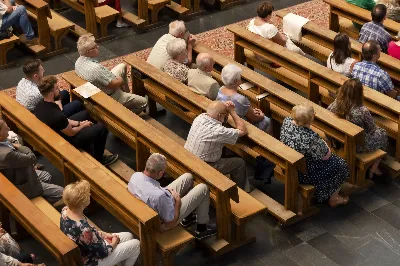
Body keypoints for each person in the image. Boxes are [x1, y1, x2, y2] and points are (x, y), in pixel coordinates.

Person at [128, 153, 217, 239]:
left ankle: (187, 217)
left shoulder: (136, 176)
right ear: (159, 173)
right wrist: (177, 202)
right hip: (164, 220)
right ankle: (202, 229)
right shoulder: (160, 196)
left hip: (156, 202)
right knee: (203, 188)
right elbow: (171, 223)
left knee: (188, 177)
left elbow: (153, 191)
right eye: (163, 172)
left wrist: (167, 194)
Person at [34, 76, 118, 166]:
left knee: (85, 114)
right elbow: (72, 133)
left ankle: (89, 143)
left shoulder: (40, 105)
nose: (59, 90)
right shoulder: (56, 115)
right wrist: (83, 126)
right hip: (65, 140)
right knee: (102, 127)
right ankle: (99, 158)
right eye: (56, 88)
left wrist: (79, 123)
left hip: (58, 130)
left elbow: (64, 120)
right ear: (51, 94)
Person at [280, 104, 350, 207]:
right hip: (302, 173)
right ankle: (334, 198)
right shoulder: (311, 138)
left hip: (287, 163)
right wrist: (324, 143)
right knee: (341, 165)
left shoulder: (287, 122)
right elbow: (326, 154)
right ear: (313, 117)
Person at [60, 180, 140, 266]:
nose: (90, 195)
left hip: (88, 247)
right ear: (81, 202)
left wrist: (104, 235)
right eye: (87, 195)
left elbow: (89, 236)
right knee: (136, 244)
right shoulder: (83, 228)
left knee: (128, 236)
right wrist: (114, 242)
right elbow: (103, 253)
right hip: (91, 260)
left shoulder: (65, 210)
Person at [184, 101, 250, 192]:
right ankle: (242, 192)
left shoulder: (200, 117)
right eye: (225, 115)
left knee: (224, 149)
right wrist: (232, 112)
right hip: (203, 166)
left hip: (188, 157)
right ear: (219, 115)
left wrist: (222, 108)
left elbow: (216, 113)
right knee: (240, 163)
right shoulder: (218, 131)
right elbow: (243, 131)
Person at [327, 79, 387, 178]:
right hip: (356, 145)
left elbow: (328, 116)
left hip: (338, 139)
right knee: (383, 133)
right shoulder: (362, 110)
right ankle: (375, 166)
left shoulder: (335, 103)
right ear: (360, 93)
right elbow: (372, 129)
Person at [75, 34, 147, 114]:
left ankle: (126, 95)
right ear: (88, 52)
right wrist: (121, 81)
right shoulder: (95, 69)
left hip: (96, 87)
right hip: (108, 96)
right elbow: (113, 85)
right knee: (144, 102)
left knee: (122, 67)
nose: (98, 47)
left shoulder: (78, 61)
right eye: (95, 47)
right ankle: (124, 115)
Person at [0, 119, 64, 204]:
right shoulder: (6, 154)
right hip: (23, 184)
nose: (8, 128)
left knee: (46, 175)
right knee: (64, 193)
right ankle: (46, 201)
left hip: (20, 171)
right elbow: (32, 158)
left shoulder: (2, 141)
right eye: (5, 128)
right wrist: (19, 146)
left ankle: (46, 196)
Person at [216, 64, 272, 133]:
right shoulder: (240, 99)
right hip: (239, 126)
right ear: (236, 80)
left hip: (227, 121)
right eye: (240, 76)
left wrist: (250, 111)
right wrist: (261, 116)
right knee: (267, 120)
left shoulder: (221, 89)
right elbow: (254, 119)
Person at [16, 59, 82, 116]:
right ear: (35, 76)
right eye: (41, 70)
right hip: (38, 116)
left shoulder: (21, 82)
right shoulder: (37, 93)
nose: (44, 70)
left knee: (65, 93)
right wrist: (60, 108)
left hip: (33, 109)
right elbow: (53, 100)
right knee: (77, 104)